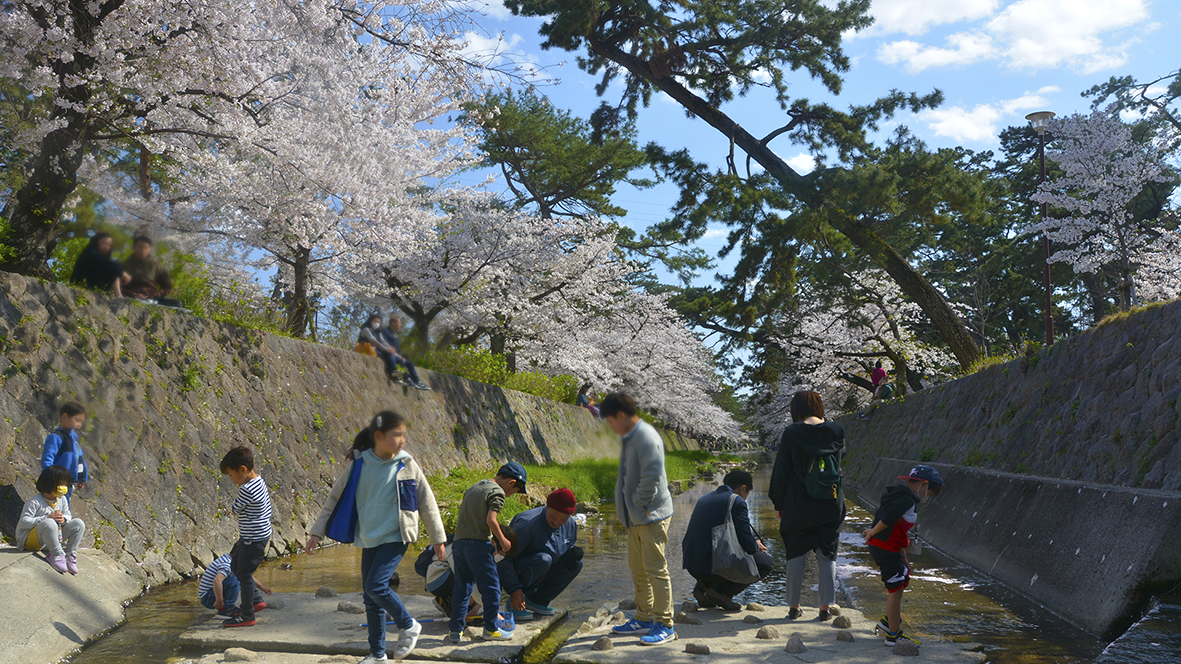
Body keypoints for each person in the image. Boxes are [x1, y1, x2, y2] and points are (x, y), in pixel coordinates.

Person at [305, 411, 446, 663]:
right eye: (397, 435)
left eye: (404, 435)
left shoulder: (407, 464)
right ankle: (377, 655)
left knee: (376, 586)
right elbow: (333, 500)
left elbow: (427, 501)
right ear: (379, 436)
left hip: (397, 535)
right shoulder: (359, 464)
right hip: (369, 537)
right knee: (370, 598)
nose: (402, 440)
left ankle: (408, 624)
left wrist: (438, 538)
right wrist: (317, 532)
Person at [604, 392, 676, 646]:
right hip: (635, 516)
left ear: (621, 416)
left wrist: (637, 504)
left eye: (610, 421)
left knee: (656, 569)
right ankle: (644, 617)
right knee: (637, 567)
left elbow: (652, 477)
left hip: (650, 514)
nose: (610, 427)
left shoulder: (646, 436)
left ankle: (665, 624)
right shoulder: (631, 437)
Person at [768, 391, 845, 622]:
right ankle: (825, 608)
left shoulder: (792, 433)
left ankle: (794, 607)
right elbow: (840, 462)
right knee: (827, 554)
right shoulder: (836, 430)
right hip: (830, 502)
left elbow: (781, 471)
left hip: (798, 503)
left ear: (796, 409)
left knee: (795, 553)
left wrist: (778, 503)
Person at [862, 464, 945, 647]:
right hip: (885, 547)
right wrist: (872, 532)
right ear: (923, 485)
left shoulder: (899, 495)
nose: (927, 497)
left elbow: (897, 529)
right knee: (895, 588)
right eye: (929, 494)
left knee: (902, 581)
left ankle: (887, 622)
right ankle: (893, 635)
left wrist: (904, 557)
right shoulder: (905, 500)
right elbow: (888, 517)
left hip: (891, 547)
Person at [449, 461, 527, 643]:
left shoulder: (475, 487)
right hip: (478, 545)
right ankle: (491, 629)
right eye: (513, 492)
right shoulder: (497, 492)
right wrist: (502, 539)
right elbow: (491, 520)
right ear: (511, 482)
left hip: (459, 544)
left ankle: (456, 631)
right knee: (492, 589)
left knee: (462, 588)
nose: (510, 495)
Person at [682, 469, 773, 611]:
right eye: (747, 494)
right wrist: (757, 546)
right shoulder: (736, 501)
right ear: (743, 489)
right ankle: (722, 593)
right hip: (712, 567)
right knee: (765, 563)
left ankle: (704, 588)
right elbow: (748, 545)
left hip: (692, 565)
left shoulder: (704, 498)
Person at [500, 488, 584, 621]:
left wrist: (573, 552)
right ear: (547, 507)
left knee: (575, 564)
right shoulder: (527, 524)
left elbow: (563, 545)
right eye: (553, 516)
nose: (557, 522)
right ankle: (515, 603)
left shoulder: (571, 524)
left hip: (542, 567)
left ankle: (536, 601)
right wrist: (514, 589)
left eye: (563, 519)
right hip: (521, 569)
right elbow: (502, 558)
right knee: (544, 559)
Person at [415, 528, 518, 625]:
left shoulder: (484, 550)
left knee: (490, 578)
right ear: (493, 543)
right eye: (501, 553)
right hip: (438, 580)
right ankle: (448, 601)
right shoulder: (464, 546)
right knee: (471, 576)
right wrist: (494, 614)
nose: (501, 558)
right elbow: (466, 577)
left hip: (454, 575)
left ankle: (460, 606)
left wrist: (475, 610)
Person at [219, 446, 272, 628]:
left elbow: (235, 508)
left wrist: (232, 507)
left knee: (244, 573)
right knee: (235, 565)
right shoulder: (259, 481)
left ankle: (247, 614)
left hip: (253, 538)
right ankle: (255, 600)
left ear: (243, 469)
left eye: (231, 475)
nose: (232, 480)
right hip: (254, 535)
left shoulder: (247, 489)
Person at [16, 465, 86, 575]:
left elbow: (68, 514)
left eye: (65, 484)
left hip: (51, 541)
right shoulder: (35, 502)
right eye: (61, 484)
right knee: (49, 523)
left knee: (79, 524)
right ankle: (56, 554)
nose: (64, 487)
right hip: (31, 542)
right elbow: (24, 522)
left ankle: (69, 555)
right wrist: (46, 518)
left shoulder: (61, 499)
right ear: (49, 483)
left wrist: (64, 519)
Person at [199, 552, 273, 617]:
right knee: (236, 579)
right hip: (208, 598)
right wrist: (219, 601)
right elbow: (217, 581)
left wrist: (262, 587)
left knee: (242, 576)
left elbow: (249, 576)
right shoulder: (227, 564)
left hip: (211, 594)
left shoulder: (233, 562)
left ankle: (253, 600)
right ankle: (226, 608)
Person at [41, 401, 89, 498]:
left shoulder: (74, 438)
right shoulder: (55, 437)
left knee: (63, 508)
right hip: (56, 482)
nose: (79, 424)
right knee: (50, 504)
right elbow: (47, 458)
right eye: (77, 420)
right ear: (64, 417)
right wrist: (49, 478)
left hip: (68, 483)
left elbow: (79, 458)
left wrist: (81, 477)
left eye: (81, 422)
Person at [70, 232, 129, 297]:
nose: (106, 247)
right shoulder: (90, 252)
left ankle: (118, 295)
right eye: (104, 243)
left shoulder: (101, 257)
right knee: (113, 268)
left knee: (114, 268)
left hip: (93, 286)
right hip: (80, 287)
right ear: (97, 242)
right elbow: (106, 263)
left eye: (109, 245)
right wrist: (122, 272)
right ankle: (119, 295)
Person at [381, 317, 430, 391]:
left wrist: (402, 355)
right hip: (389, 354)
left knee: (410, 363)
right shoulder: (385, 332)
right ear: (393, 323)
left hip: (397, 355)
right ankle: (408, 379)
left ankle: (417, 381)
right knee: (401, 361)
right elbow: (386, 345)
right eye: (399, 323)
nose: (400, 325)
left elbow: (398, 348)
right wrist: (397, 355)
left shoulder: (396, 334)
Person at [121, 236, 173, 300]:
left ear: (149, 249)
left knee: (178, 304)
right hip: (130, 298)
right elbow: (116, 285)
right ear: (133, 248)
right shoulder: (124, 265)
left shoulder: (157, 266)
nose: (143, 250)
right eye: (140, 247)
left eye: (146, 247)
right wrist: (132, 294)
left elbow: (167, 287)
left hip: (152, 299)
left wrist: (158, 294)